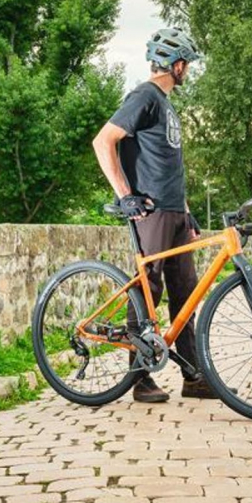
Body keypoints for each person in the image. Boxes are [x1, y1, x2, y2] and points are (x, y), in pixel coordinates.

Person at [90, 28, 218, 403]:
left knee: (186, 292)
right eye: (187, 65)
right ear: (176, 65)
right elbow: (103, 141)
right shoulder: (145, 96)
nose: (188, 71)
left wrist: (188, 212)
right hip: (151, 210)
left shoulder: (166, 104)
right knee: (150, 289)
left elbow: (170, 165)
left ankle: (194, 377)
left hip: (174, 212)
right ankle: (140, 379)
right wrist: (125, 196)